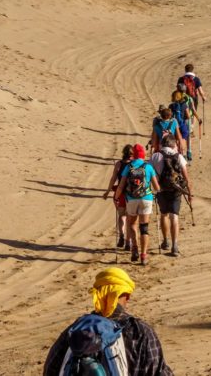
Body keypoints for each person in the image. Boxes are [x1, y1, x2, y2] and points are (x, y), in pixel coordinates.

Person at [42, 267, 174, 376]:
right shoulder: (140, 332)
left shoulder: (76, 329)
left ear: (97, 294)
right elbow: (157, 371)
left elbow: (50, 369)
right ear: (127, 296)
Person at [115, 144, 160, 266]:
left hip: (131, 199)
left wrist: (116, 196)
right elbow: (156, 187)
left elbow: (121, 184)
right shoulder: (148, 167)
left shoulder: (128, 166)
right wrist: (158, 193)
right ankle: (143, 255)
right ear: (143, 155)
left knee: (132, 223)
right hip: (146, 199)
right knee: (144, 227)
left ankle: (134, 247)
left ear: (133, 154)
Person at [150, 135, 193, 257]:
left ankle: (165, 241)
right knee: (174, 217)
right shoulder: (178, 156)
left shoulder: (155, 156)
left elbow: (149, 174)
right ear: (174, 145)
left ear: (162, 144)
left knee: (164, 215)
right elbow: (186, 177)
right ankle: (175, 246)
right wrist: (189, 194)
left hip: (161, 190)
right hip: (176, 190)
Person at [103, 145, 134, 250]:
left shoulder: (119, 164)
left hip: (120, 192)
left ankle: (121, 235)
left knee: (121, 215)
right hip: (132, 193)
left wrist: (107, 191)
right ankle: (128, 242)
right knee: (130, 218)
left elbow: (113, 179)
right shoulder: (135, 164)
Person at [169, 90, 196, 160]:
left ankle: (180, 153)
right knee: (184, 138)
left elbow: (169, 116)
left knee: (177, 139)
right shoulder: (184, 105)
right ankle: (187, 152)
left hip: (174, 125)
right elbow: (188, 116)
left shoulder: (171, 106)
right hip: (182, 125)